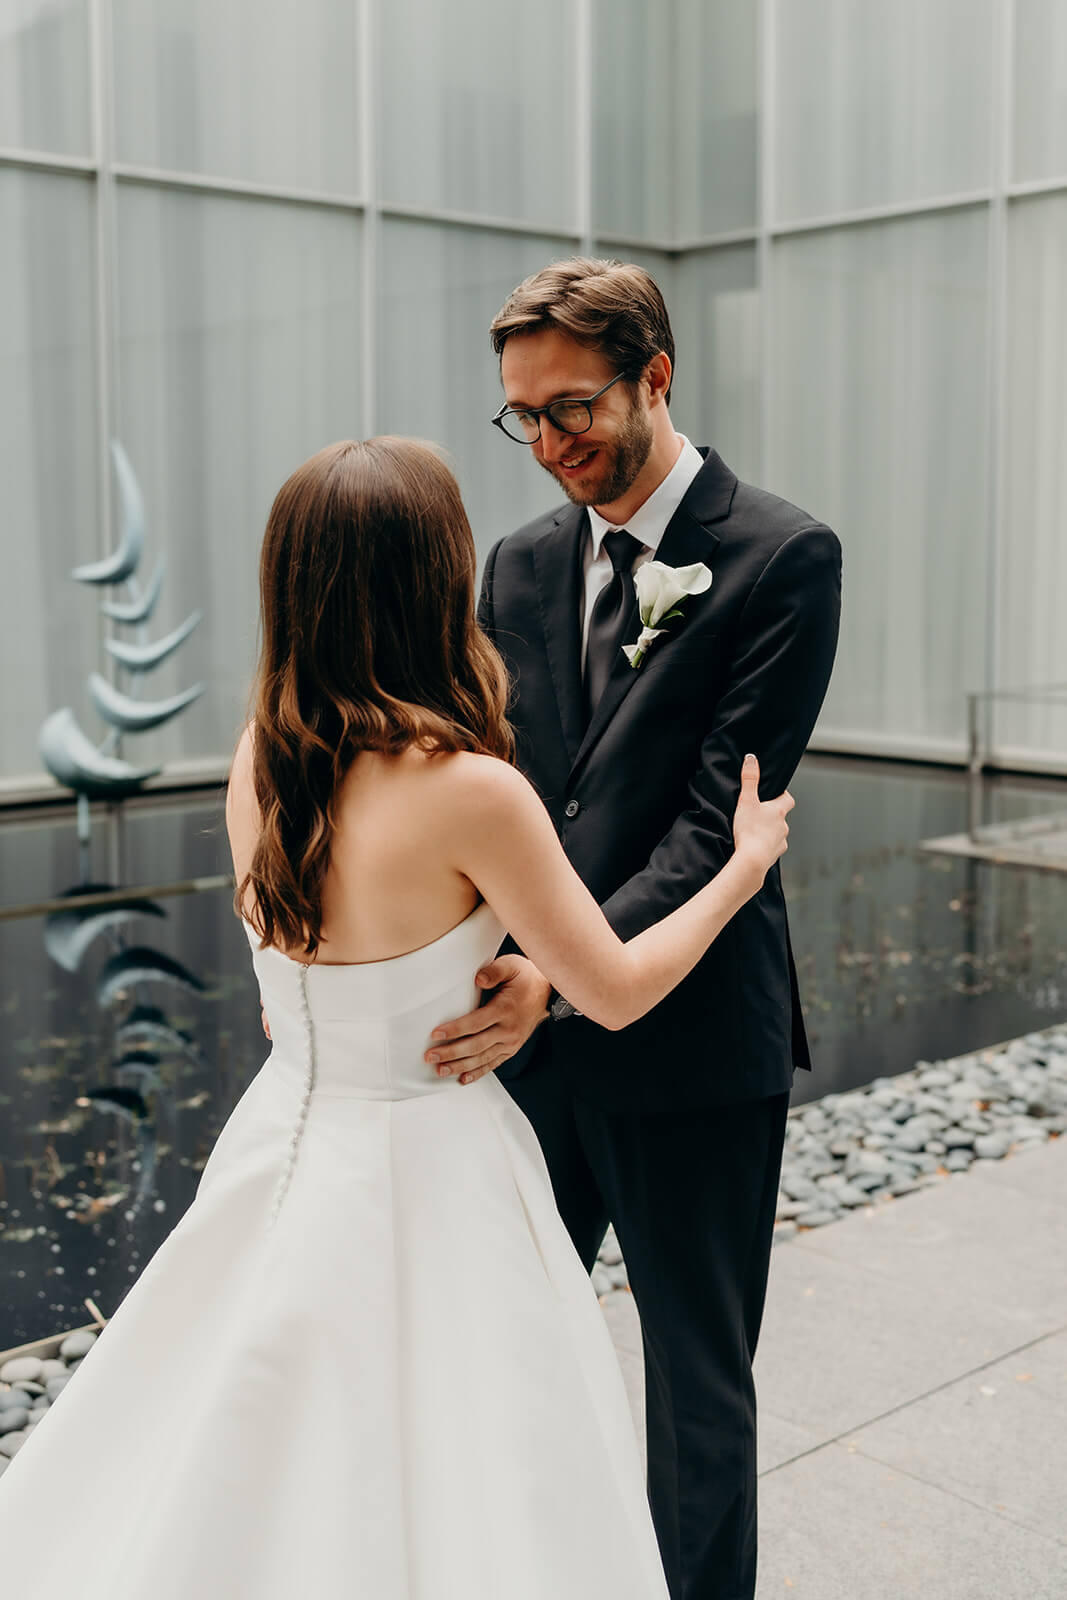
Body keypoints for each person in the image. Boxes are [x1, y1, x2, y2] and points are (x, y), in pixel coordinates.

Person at [0, 436, 793, 1599]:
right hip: (435, 1167)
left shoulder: (258, 761)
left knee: (256, 1435)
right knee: (472, 1464)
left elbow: (284, 999)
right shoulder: (471, 791)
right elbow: (616, 989)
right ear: (435, 578)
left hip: (280, 1145)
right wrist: (740, 865)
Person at [426, 259, 842, 1600]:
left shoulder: (781, 557)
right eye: (524, 416)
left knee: (695, 1394)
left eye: (573, 409)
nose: (549, 444)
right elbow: (493, 784)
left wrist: (554, 970)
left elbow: (716, 826)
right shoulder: (516, 563)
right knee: (508, 1354)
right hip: (530, 1053)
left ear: (653, 377)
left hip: (691, 1051)